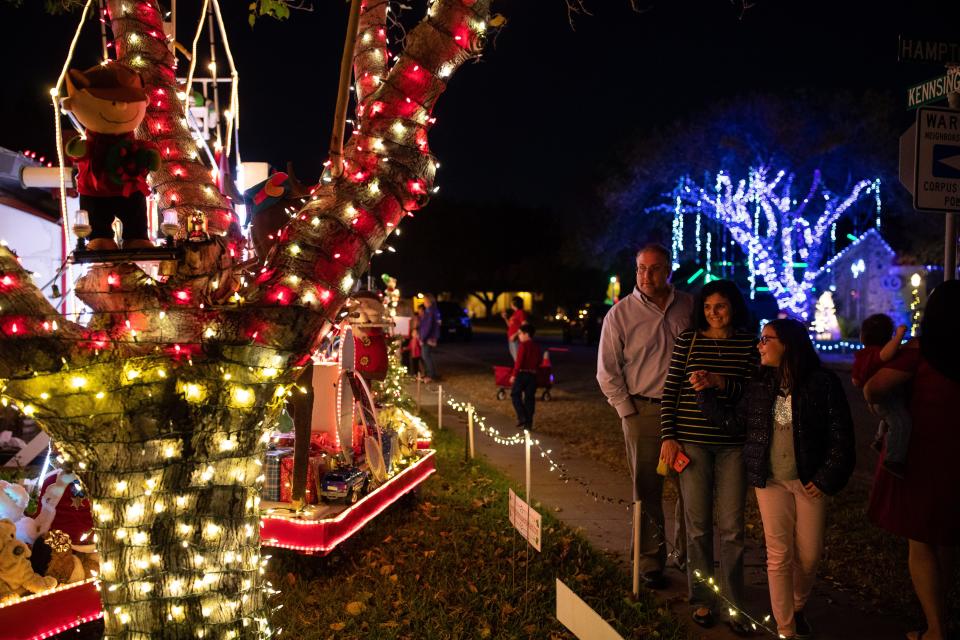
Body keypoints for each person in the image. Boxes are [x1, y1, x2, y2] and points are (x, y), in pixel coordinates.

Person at [697, 318, 856, 640]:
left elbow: (841, 437)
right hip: (770, 481)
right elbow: (736, 423)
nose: (760, 345)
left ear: (788, 344)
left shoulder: (822, 383)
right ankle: (786, 628)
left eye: (766, 339)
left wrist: (826, 477)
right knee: (778, 554)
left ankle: (797, 606)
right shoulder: (760, 383)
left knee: (809, 555)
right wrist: (705, 395)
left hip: (809, 481)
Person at [658, 279, 758, 634]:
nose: (713, 313)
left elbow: (753, 393)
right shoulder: (689, 340)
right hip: (692, 444)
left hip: (733, 444)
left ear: (733, 308)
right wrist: (668, 436)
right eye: (707, 307)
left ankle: (733, 603)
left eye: (721, 306)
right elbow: (670, 390)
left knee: (731, 529)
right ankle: (702, 598)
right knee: (697, 526)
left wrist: (719, 382)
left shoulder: (748, 343)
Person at [865, 281, 960, 640]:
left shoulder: (921, 353)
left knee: (920, 541)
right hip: (955, 457)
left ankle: (936, 629)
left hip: (920, 457)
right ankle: (942, 614)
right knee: (948, 537)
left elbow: (874, 388)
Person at [597, 243, 694, 590]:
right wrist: (628, 412)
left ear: (668, 269)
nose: (646, 275)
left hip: (689, 412)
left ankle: (689, 556)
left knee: (692, 488)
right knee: (647, 489)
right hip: (645, 411)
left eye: (654, 268)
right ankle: (652, 561)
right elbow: (607, 371)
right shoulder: (620, 315)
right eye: (640, 268)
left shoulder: (689, 305)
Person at [851, 314, 911, 478]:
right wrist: (899, 335)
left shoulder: (861, 355)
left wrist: (865, 380)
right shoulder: (876, 352)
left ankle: (879, 440)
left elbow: (855, 381)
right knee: (901, 422)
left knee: (888, 419)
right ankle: (893, 459)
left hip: (875, 399)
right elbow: (886, 355)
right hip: (886, 396)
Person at [509, 323, 541, 429]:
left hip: (522, 374)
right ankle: (529, 423)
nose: (519, 336)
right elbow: (539, 361)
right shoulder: (536, 346)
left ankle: (522, 416)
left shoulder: (523, 346)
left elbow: (519, 362)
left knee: (515, 395)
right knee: (529, 399)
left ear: (526, 334)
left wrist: (514, 375)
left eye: (520, 334)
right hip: (532, 375)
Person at [418, 294, 441, 382]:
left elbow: (427, 326)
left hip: (428, 337)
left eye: (425, 301)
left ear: (428, 301)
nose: (424, 303)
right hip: (429, 336)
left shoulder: (430, 312)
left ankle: (431, 375)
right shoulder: (432, 311)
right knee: (427, 355)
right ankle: (430, 374)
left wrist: (423, 337)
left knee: (426, 355)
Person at [501, 296, 527, 361]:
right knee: (514, 356)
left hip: (516, 338)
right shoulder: (515, 313)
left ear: (515, 303)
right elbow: (510, 325)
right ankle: (518, 370)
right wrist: (505, 318)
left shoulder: (521, 312)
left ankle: (520, 370)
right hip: (511, 338)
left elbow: (524, 325)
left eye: (512, 302)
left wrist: (515, 335)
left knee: (517, 357)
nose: (510, 303)